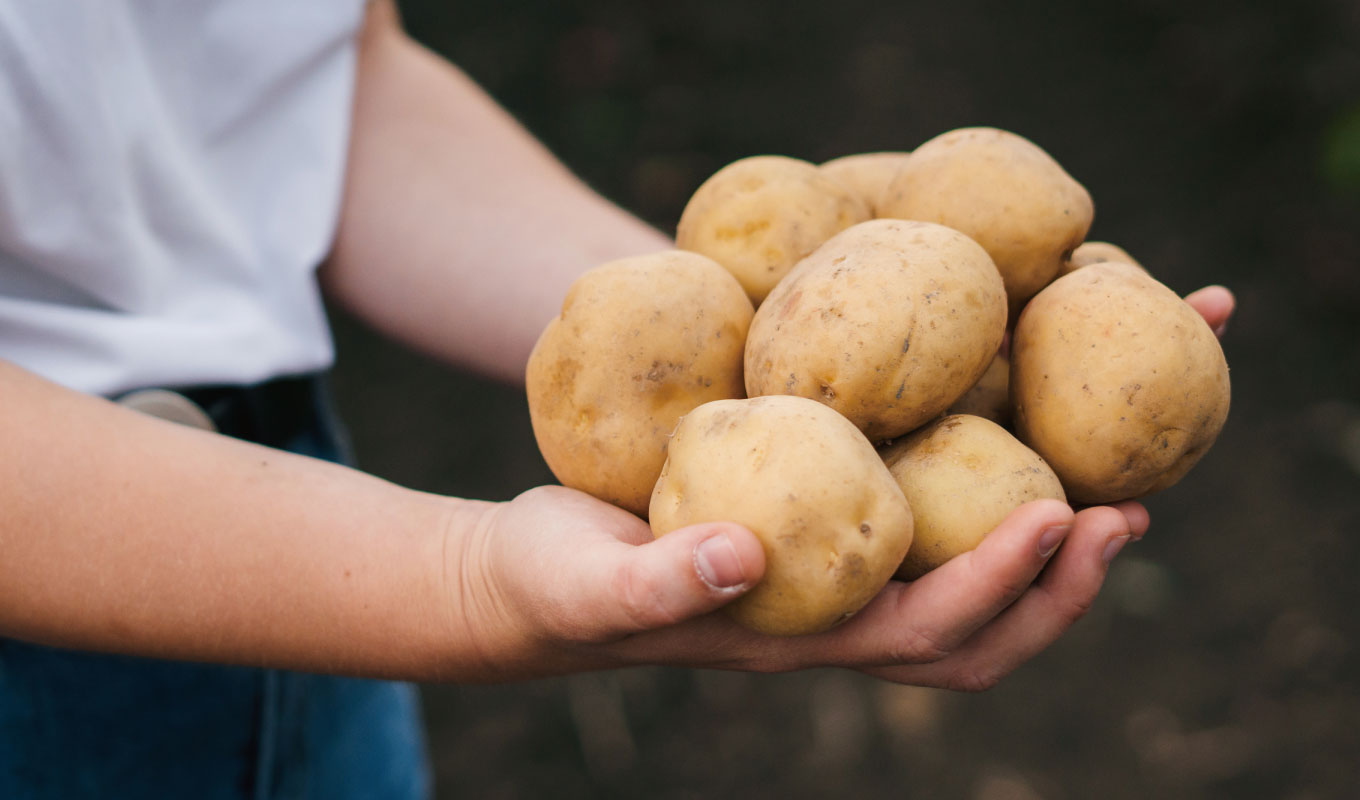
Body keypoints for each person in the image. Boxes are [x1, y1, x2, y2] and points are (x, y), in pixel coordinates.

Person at [0, 1, 1236, 798]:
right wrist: (460, 575)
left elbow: (299, 85)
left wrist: (728, 320)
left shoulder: (903, 324)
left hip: (286, 525)